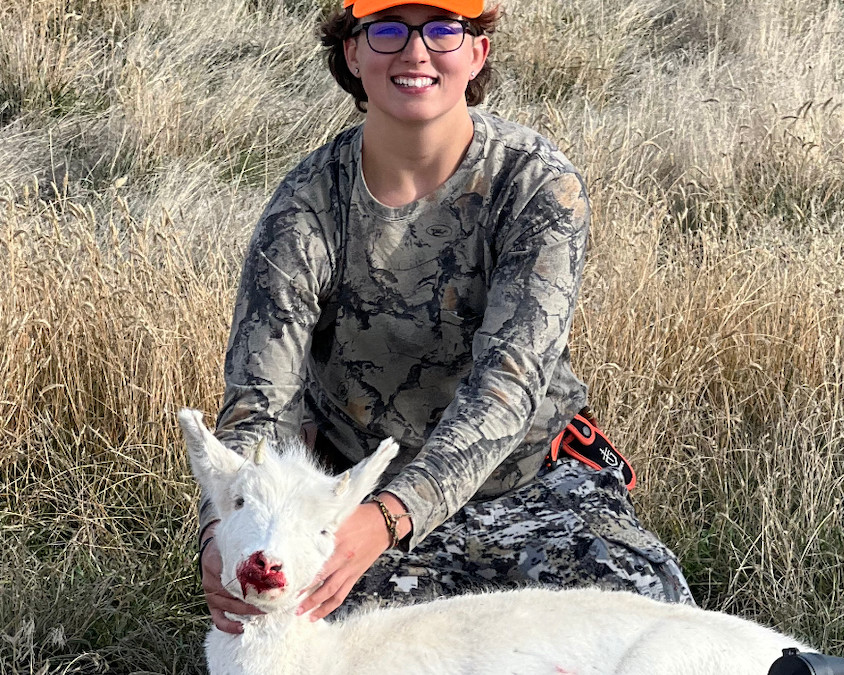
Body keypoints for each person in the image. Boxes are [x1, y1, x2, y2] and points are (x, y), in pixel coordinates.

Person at [195, 0, 693, 634]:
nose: (415, 51)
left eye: (442, 28)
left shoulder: (534, 185)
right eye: (387, 29)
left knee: (648, 610)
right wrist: (223, 534)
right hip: (352, 502)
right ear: (352, 51)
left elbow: (508, 384)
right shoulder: (305, 207)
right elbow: (259, 406)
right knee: (303, 635)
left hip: (531, 485)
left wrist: (394, 516)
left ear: (477, 51)